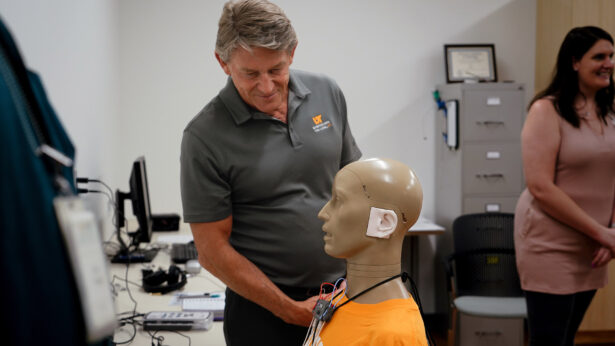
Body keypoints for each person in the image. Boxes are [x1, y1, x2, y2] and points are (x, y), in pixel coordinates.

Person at [179, 0, 362, 344]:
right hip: (262, 311)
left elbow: (353, 183)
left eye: (275, 70)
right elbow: (211, 250)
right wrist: (288, 309)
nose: (266, 87)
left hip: (340, 294)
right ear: (222, 62)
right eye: (250, 73)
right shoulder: (204, 136)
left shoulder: (327, 92)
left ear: (292, 53)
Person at [514, 26, 615, 346]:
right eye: (598, 56)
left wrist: (611, 232)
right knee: (549, 340)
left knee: (567, 338)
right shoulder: (548, 110)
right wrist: (605, 234)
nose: (608, 63)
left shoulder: (609, 111)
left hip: (595, 244)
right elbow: (540, 186)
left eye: (611, 56)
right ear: (574, 62)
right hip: (550, 243)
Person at [303, 158, 428, 346]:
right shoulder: (338, 300)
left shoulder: (395, 336)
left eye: (339, 200)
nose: (323, 212)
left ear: (383, 223)